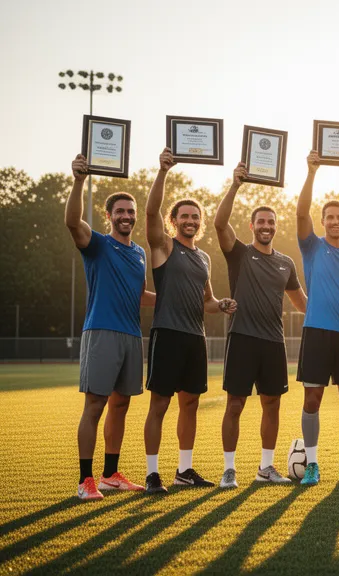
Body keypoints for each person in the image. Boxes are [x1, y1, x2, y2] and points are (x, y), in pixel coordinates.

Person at [143, 148, 236, 494]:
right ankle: (153, 473)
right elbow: (150, 210)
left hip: (193, 338)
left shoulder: (204, 258)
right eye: (184, 216)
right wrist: (163, 171)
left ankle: (184, 470)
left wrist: (221, 304)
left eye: (195, 216)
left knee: (190, 404)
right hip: (167, 334)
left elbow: (207, 302)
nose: (191, 221)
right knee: (160, 404)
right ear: (173, 221)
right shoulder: (163, 247)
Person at [66, 153, 155, 500]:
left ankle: (110, 474)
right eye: (120, 211)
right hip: (101, 332)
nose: (126, 216)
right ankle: (85, 480)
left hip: (132, 335)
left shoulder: (140, 253)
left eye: (131, 212)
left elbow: (139, 295)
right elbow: (73, 222)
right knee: (95, 405)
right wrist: (78, 180)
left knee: (121, 405)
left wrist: (175, 299)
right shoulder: (97, 244)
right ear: (109, 216)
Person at [214, 162, 307, 488]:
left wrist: (330, 320)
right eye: (261, 222)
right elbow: (219, 223)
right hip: (242, 338)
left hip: (273, 343)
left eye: (271, 222)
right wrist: (236, 185)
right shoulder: (239, 254)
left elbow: (301, 302)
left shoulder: (286, 263)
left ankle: (266, 468)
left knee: (272, 404)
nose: (266, 226)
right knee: (235, 405)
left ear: (275, 227)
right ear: (252, 226)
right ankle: (229, 470)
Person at [294, 150, 339, 485]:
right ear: (323, 222)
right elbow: (301, 212)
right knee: (313, 399)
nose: (334, 221)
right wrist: (311, 172)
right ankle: (313, 463)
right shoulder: (312, 246)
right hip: (317, 332)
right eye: (329, 217)